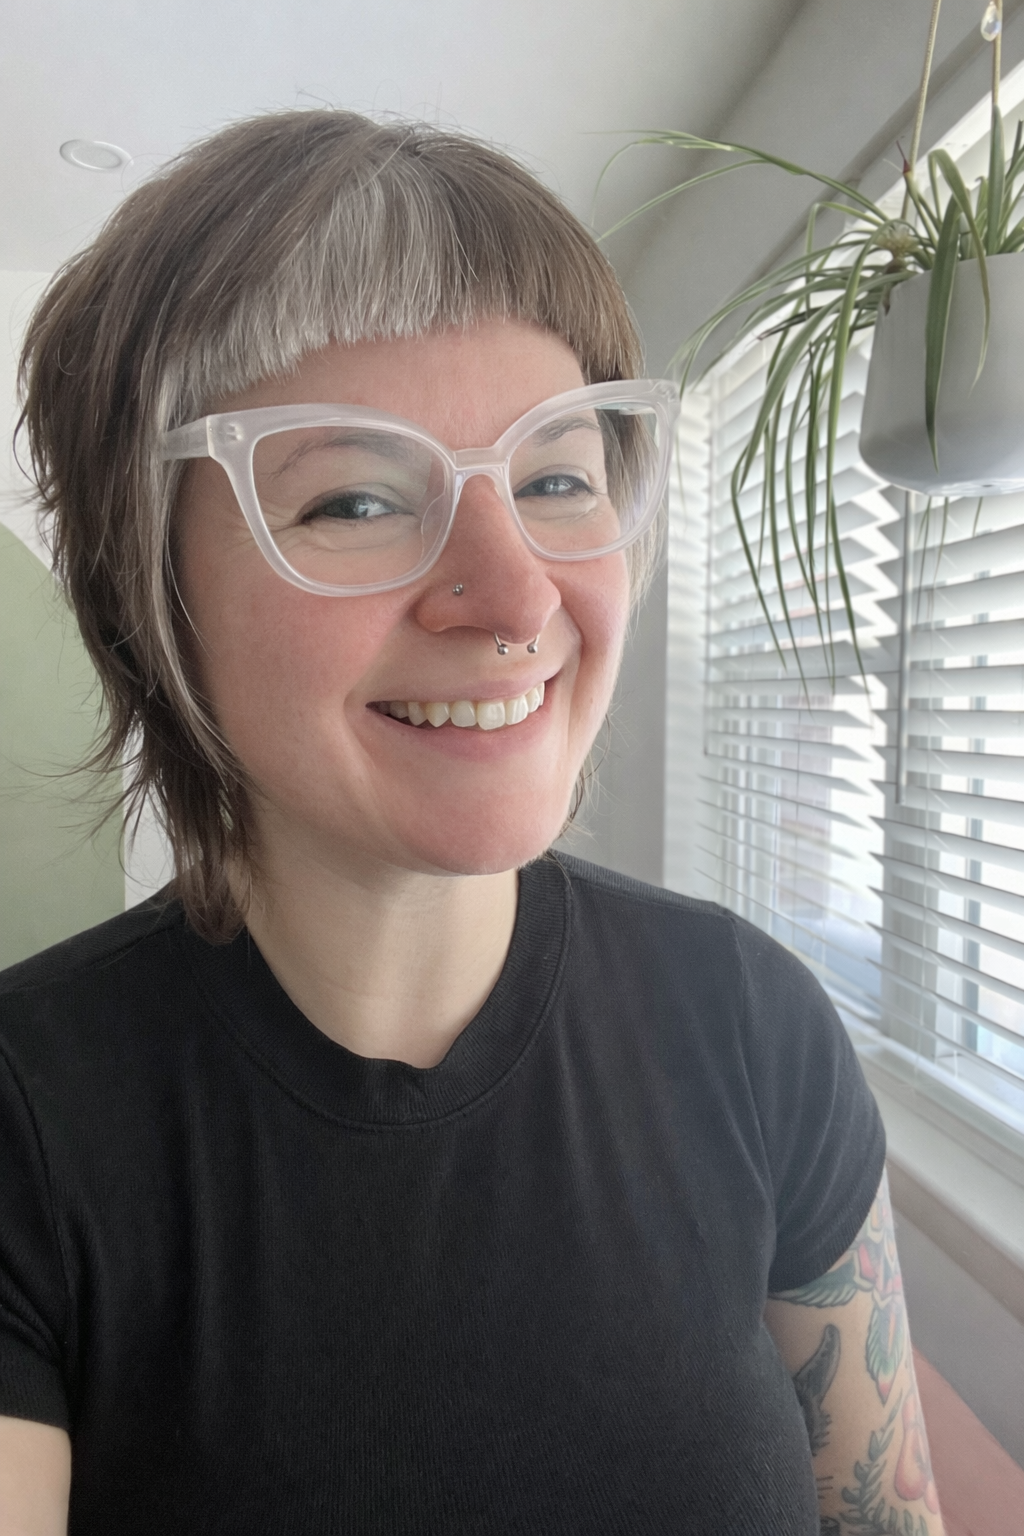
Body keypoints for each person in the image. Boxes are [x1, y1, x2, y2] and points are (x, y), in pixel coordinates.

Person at [0, 111, 943, 1536]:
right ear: (149, 591)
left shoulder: (752, 1025)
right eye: (359, 499)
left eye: (558, 477)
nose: (513, 601)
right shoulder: (28, 1127)